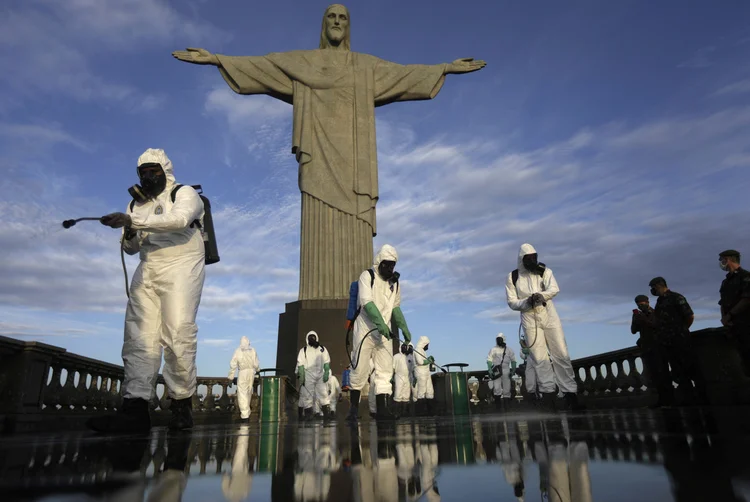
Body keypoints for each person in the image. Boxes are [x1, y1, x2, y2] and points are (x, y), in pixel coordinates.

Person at [88, 148, 206, 433]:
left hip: (182, 264)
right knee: (139, 337)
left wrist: (132, 221)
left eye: (154, 171)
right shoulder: (136, 204)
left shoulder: (186, 193)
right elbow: (130, 249)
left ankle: (181, 404)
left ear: (165, 171)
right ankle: (135, 407)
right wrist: (128, 230)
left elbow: (178, 221)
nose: (148, 177)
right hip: (148, 266)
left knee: (178, 332)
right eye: (143, 173)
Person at [505, 243, 581, 411]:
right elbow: (511, 301)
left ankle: (570, 394)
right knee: (539, 358)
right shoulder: (513, 277)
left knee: (560, 353)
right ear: (521, 259)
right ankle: (549, 397)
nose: (532, 260)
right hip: (529, 316)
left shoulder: (544, 271)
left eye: (534, 257)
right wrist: (526, 302)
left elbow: (554, 289)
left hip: (548, 313)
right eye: (529, 258)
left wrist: (541, 296)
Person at [347, 244, 412, 421]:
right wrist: (380, 324)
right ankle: (353, 410)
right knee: (359, 369)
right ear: (379, 262)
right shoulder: (366, 276)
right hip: (365, 329)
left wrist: (403, 327)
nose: (390, 268)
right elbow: (367, 303)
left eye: (393, 265)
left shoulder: (395, 283)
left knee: (384, 370)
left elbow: (395, 307)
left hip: (384, 333)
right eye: (387, 264)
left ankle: (383, 410)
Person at [649, 277, 706, 405]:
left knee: (691, 369)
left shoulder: (676, 297)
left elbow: (689, 316)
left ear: (659, 285)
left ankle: (703, 399)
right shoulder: (659, 301)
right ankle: (689, 399)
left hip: (681, 340)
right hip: (667, 342)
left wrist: (681, 331)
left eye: (653, 287)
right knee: (678, 372)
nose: (652, 290)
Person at [631, 294, 671, 407]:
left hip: (658, 346)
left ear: (647, 302)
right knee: (654, 375)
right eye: (638, 304)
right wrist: (636, 320)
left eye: (641, 303)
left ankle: (669, 399)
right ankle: (661, 399)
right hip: (647, 347)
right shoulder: (638, 315)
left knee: (663, 373)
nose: (640, 305)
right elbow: (633, 330)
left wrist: (644, 320)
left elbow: (657, 326)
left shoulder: (655, 313)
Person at [718, 250, 750, 375]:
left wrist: (730, 315)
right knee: (743, 363)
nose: (721, 263)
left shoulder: (745, 277)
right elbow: (722, 303)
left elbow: (747, 299)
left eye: (722, 259)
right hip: (732, 327)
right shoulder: (726, 282)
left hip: (746, 325)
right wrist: (724, 319)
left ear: (729, 259)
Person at [296, 331, 332, 420]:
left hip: (320, 375)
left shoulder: (322, 349)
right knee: (307, 396)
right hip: (308, 375)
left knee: (323, 394)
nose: (312, 339)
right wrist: (302, 376)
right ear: (307, 339)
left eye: (313, 337)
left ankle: (327, 415)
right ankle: (308, 416)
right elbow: (300, 365)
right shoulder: (303, 350)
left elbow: (326, 362)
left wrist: (326, 372)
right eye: (310, 337)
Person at [227, 336, 260, 421]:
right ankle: (247, 413)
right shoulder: (253, 350)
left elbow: (233, 364)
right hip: (251, 373)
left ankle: (245, 415)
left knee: (242, 393)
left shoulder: (238, 351)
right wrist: (258, 371)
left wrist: (230, 377)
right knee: (248, 392)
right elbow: (256, 364)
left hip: (242, 372)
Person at [486, 333, 517, 411]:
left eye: (500, 339)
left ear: (503, 340)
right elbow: (489, 359)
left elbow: (513, 360)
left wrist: (513, 370)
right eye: (497, 339)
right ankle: (498, 408)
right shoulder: (493, 349)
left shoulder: (509, 349)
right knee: (497, 388)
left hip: (506, 369)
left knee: (507, 388)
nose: (498, 341)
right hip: (496, 370)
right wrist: (489, 369)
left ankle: (507, 407)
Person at [414, 336, 435, 415]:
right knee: (421, 391)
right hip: (420, 372)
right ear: (424, 343)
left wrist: (429, 361)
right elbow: (420, 362)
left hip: (426, 372)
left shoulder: (422, 350)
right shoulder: (417, 349)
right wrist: (428, 360)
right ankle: (421, 412)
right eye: (427, 345)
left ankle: (431, 411)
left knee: (429, 390)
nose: (428, 346)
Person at [393, 342, 415, 416]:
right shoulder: (396, 356)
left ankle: (404, 412)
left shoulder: (410, 358)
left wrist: (413, 377)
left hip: (407, 377)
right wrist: (391, 376)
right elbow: (392, 367)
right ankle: (396, 412)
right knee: (398, 393)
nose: (405, 348)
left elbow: (413, 368)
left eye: (406, 347)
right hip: (399, 376)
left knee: (406, 395)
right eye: (403, 346)